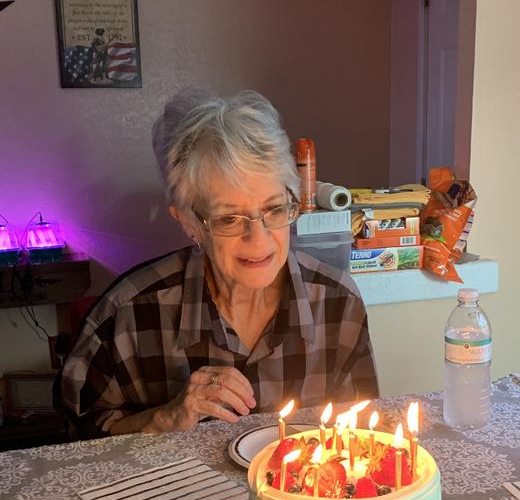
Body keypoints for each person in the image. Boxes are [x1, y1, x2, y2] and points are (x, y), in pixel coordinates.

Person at [58, 90, 377, 438]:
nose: (259, 240)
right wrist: (165, 418)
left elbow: (358, 437)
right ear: (190, 223)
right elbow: (78, 440)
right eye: (229, 219)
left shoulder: (338, 304)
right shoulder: (128, 315)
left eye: (273, 209)